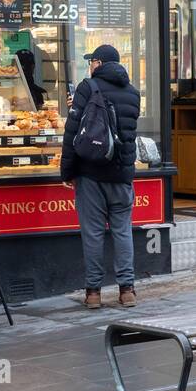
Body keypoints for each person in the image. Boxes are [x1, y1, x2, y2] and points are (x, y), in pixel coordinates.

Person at [60, 44, 140, 309]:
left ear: (98, 63)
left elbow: (72, 133)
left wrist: (67, 171)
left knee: (93, 234)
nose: (89, 67)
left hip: (90, 173)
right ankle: (127, 290)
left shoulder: (87, 87)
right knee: (122, 231)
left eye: (91, 62)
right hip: (121, 174)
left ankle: (93, 293)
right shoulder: (132, 93)